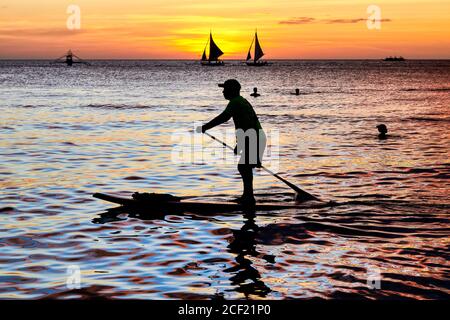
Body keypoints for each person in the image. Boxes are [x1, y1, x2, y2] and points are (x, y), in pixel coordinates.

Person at [196, 79, 266, 205]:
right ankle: (248, 196)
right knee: (245, 167)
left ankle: (248, 197)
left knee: (244, 167)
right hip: (255, 137)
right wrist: (240, 145)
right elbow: (246, 124)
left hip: (254, 137)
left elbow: (223, 118)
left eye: (225, 89)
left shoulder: (235, 102)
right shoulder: (241, 101)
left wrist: (205, 127)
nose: (223, 92)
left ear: (231, 90)